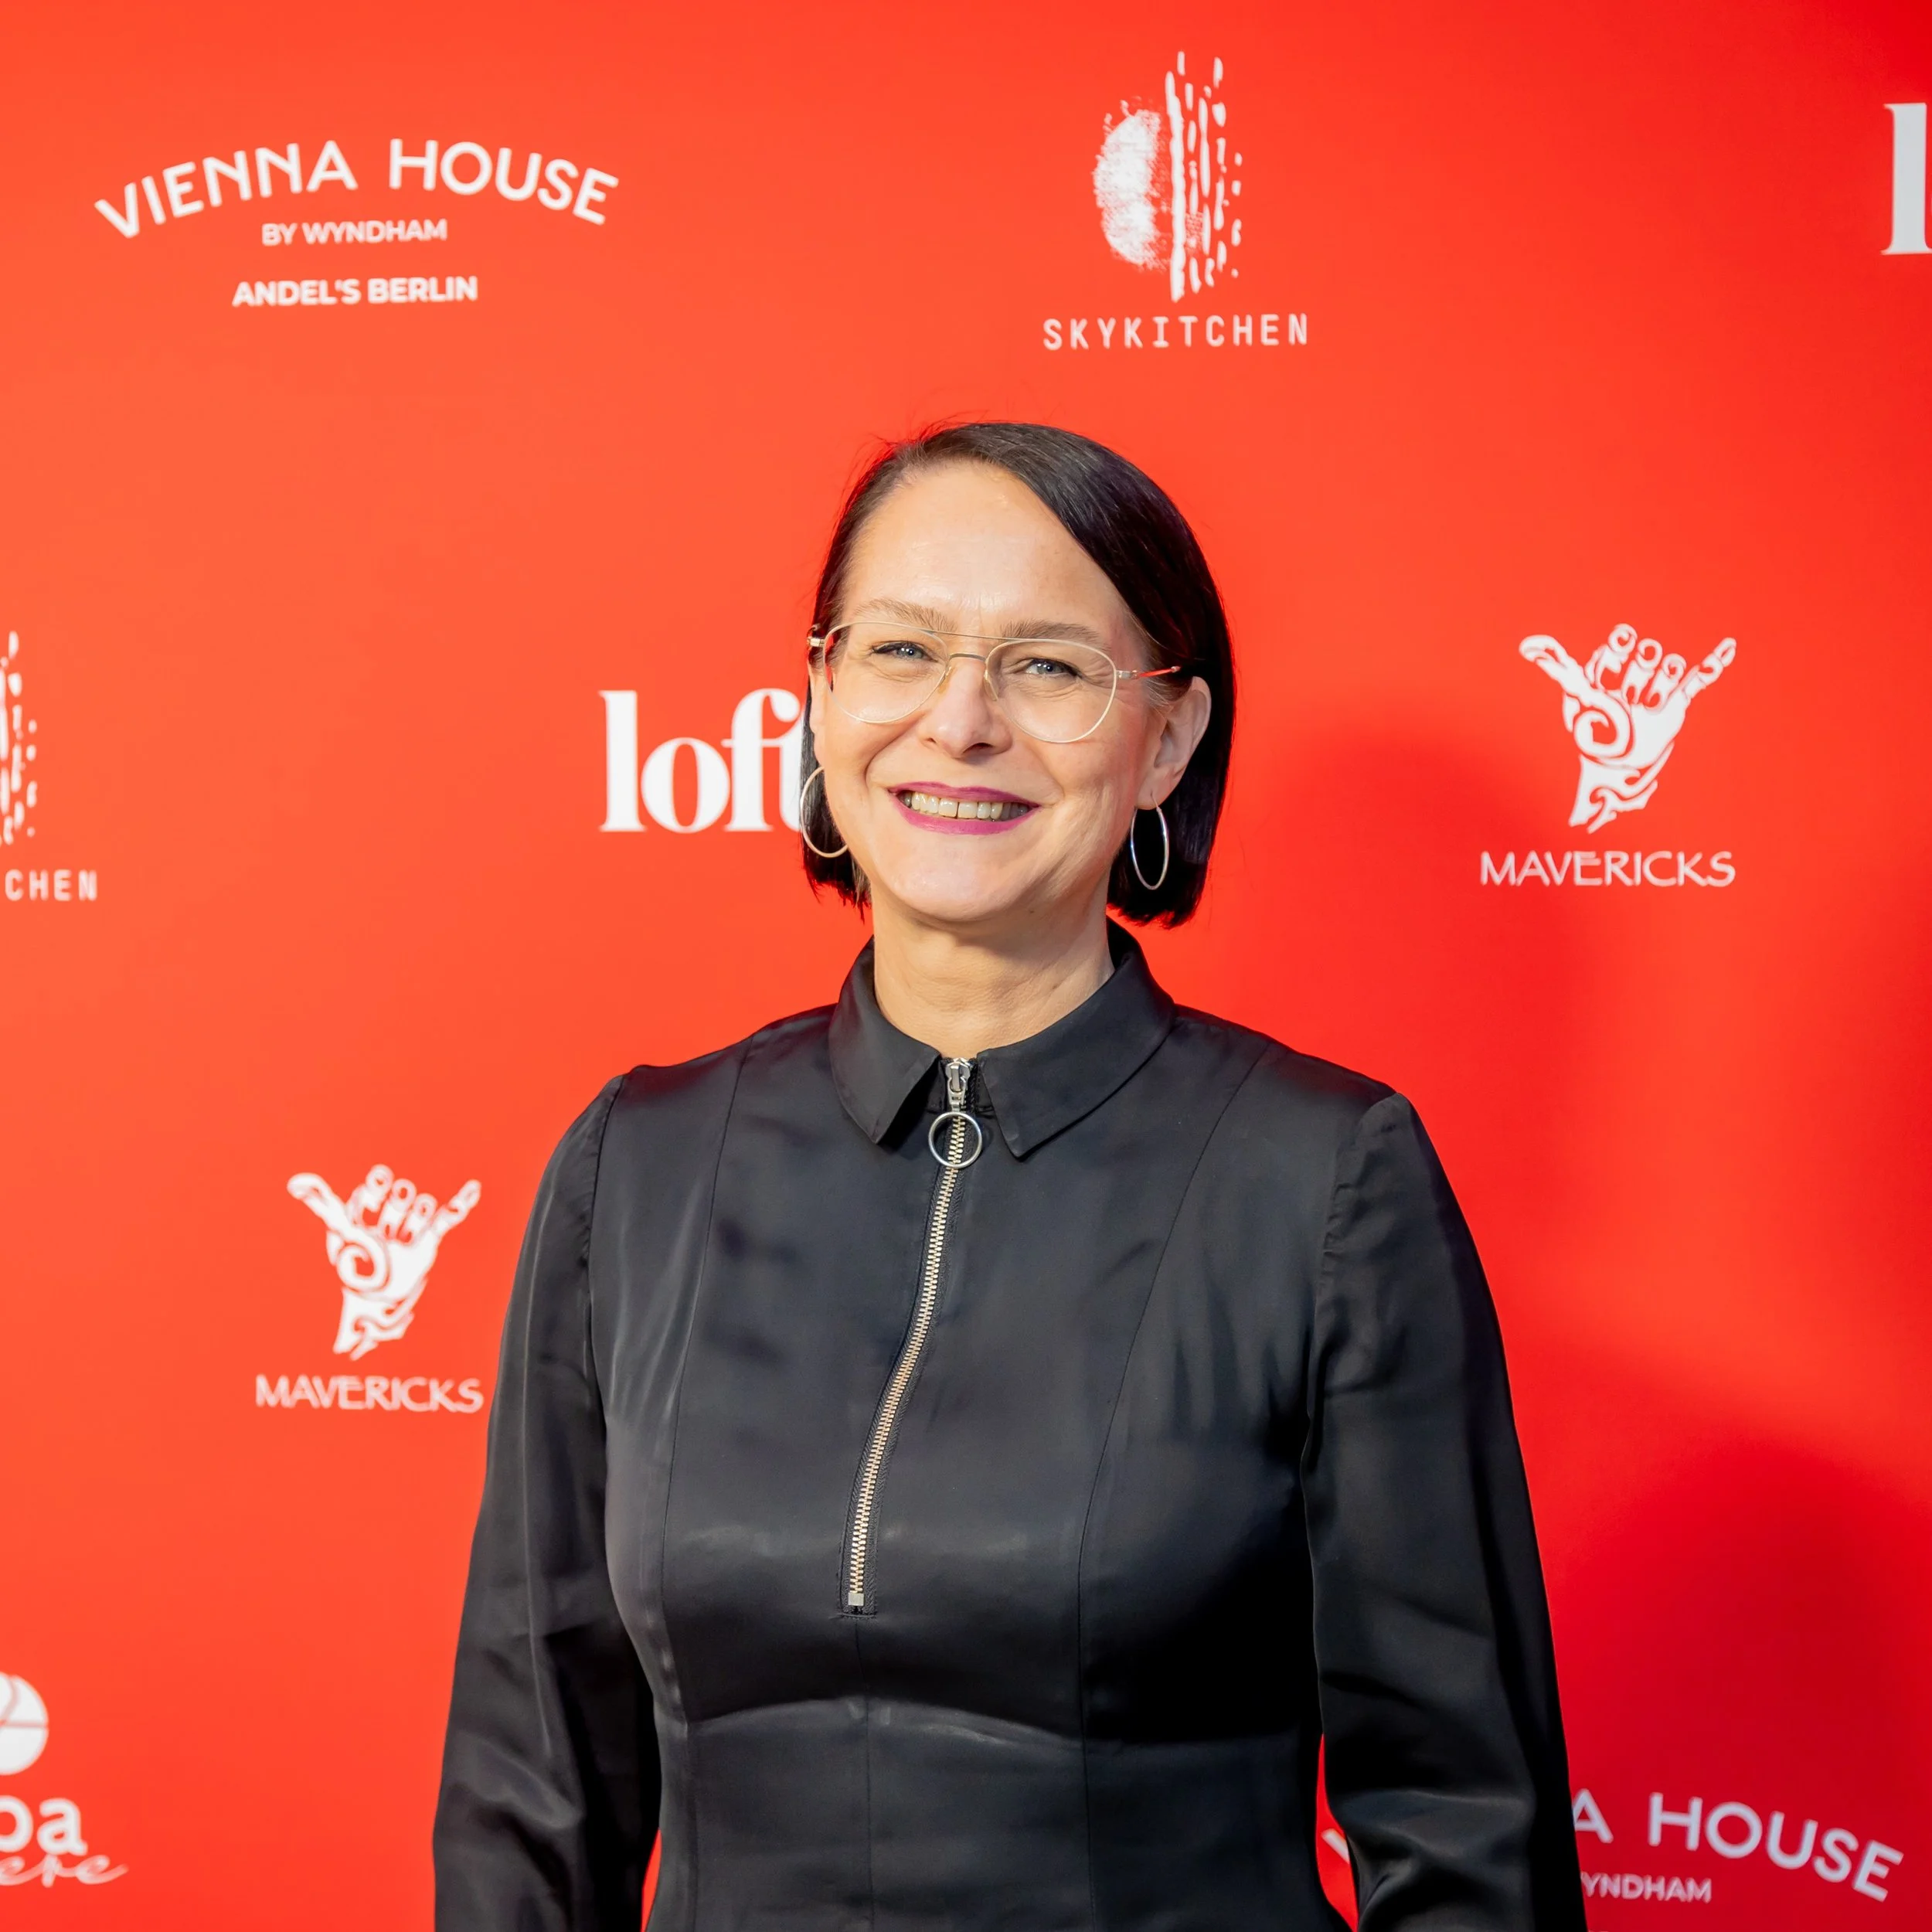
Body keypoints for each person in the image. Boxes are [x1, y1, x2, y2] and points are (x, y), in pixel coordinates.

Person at [433, 423, 1585, 1931]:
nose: (958, 720)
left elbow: (1460, 1823)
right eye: (901, 648)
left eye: (1045, 667)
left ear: (1164, 739)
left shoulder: (1320, 1181)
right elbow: (537, 1787)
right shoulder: (638, 1164)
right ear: (822, 693)